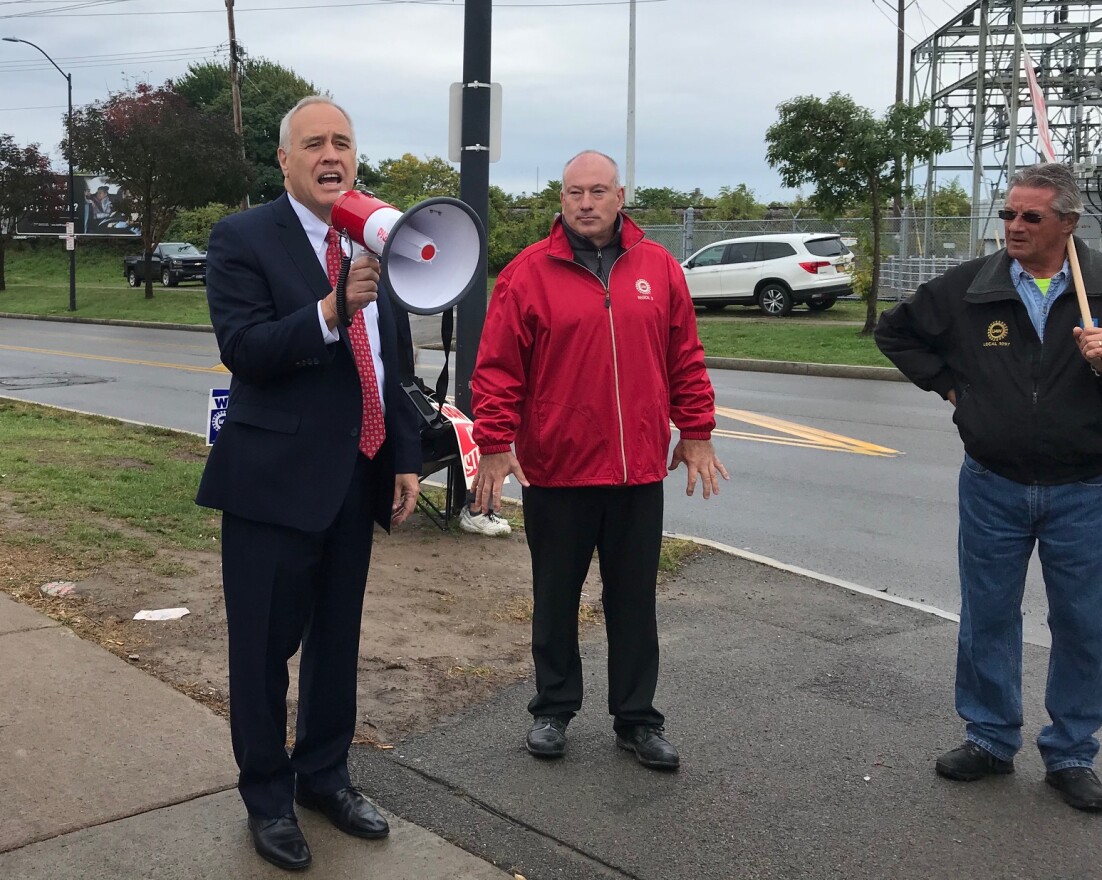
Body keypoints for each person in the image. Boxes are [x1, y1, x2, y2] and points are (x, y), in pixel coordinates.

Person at [196, 95, 422, 870]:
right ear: (286, 162)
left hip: (356, 481)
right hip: (272, 485)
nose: (333, 156)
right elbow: (246, 347)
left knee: (336, 644)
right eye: (315, 144)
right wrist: (331, 306)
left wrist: (402, 457)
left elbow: (390, 363)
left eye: (345, 144)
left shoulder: (378, 238)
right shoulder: (242, 237)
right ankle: (267, 797)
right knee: (262, 651)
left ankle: (324, 775)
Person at [470, 150, 728, 771]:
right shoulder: (528, 274)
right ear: (561, 200)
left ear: (620, 196)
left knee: (634, 602)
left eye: (597, 191)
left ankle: (637, 719)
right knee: (554, 597)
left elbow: (685, 358)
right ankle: (553, 709)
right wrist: (496, 444)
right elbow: (498, 369)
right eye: (572, 193)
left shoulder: (659, 268)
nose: (584, 203)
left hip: (637, 471)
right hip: (557, 471)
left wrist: (696, 431)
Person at [875, 162, 1102, 813]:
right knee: (988, 617)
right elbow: (896, 331)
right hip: (993, 484)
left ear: (1067, 222)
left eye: (1031, 217)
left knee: (1085, 623)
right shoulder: (973, 286)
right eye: (1008, 214)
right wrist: (955, 390)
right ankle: (990, 737)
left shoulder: (1099, 286)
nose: (1014, 226)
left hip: (1084, 486)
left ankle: (1071, 752)